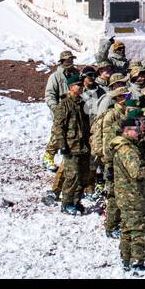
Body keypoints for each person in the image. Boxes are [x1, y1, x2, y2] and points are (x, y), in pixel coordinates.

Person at [111, 115, 145, 270]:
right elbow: (137, 171)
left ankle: (127, 259)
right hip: (133, 196)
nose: (138, 133)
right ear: (126, 131)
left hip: (128, 195)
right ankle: (137, 262)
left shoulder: (128, 146)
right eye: (135, 130)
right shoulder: (127, 150)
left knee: (129, 228)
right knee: (140, 229)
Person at [48, 71, 90, 214]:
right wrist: (62, 145)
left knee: (83, 176)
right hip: (71, 147)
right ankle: (66, 203)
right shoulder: (64, 105)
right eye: (77, 85)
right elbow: (58, 127)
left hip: (84, 146)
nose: (80, 87)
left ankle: (76, 201)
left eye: (81, 85)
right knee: (72, 176)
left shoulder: (83, 103)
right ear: (70, 87)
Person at [42, 50, 77, 171]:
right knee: (58, 134)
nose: (70, 62)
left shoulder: (76, 74)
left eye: (71, 59)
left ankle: (67, 158)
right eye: (67, 60)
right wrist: (56, 109)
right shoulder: (55, 76)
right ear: (62, 61)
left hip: (74, 110)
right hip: (61, 110)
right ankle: (48, 156)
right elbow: (49, 95)